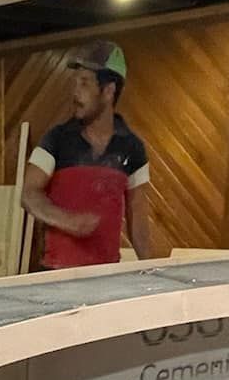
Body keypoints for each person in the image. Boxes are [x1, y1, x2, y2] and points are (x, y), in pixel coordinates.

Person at [19, 40, 150, 268]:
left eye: (85, 83)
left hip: (104, 278)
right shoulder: (57, 139)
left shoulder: (132, 148)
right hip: (55, 274)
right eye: (75, 83)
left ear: (108, 91)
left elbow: (137, 215)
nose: (75, 92)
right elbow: (28, 194)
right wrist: (67, 221)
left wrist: (152, 268)